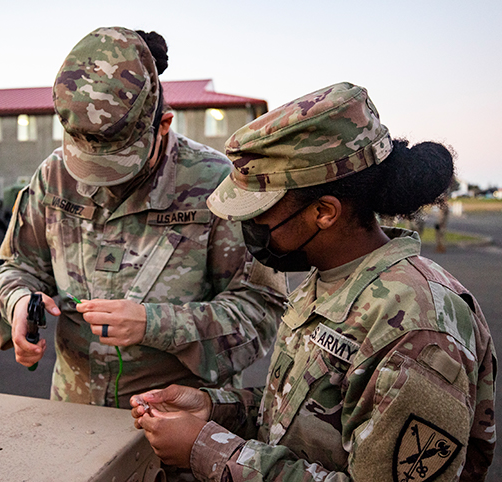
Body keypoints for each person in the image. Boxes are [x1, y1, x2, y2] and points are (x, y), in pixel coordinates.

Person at [131, 82, 496, 481]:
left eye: (259, 216)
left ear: (324, 212)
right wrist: (213, 408)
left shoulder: (417, 328)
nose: (247, 229)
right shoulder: (330, 278)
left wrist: (206, 449)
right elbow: (301, 414)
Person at [0, 27, 287, 409]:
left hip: (177, 423)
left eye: (118, 165)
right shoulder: (54, 176)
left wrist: (155, 325)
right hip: (73, 414)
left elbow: (261, 310)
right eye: (89, 164)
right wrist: (16, 303)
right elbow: (18, 267)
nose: (101, 183)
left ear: (163, 126)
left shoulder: (217, 186)